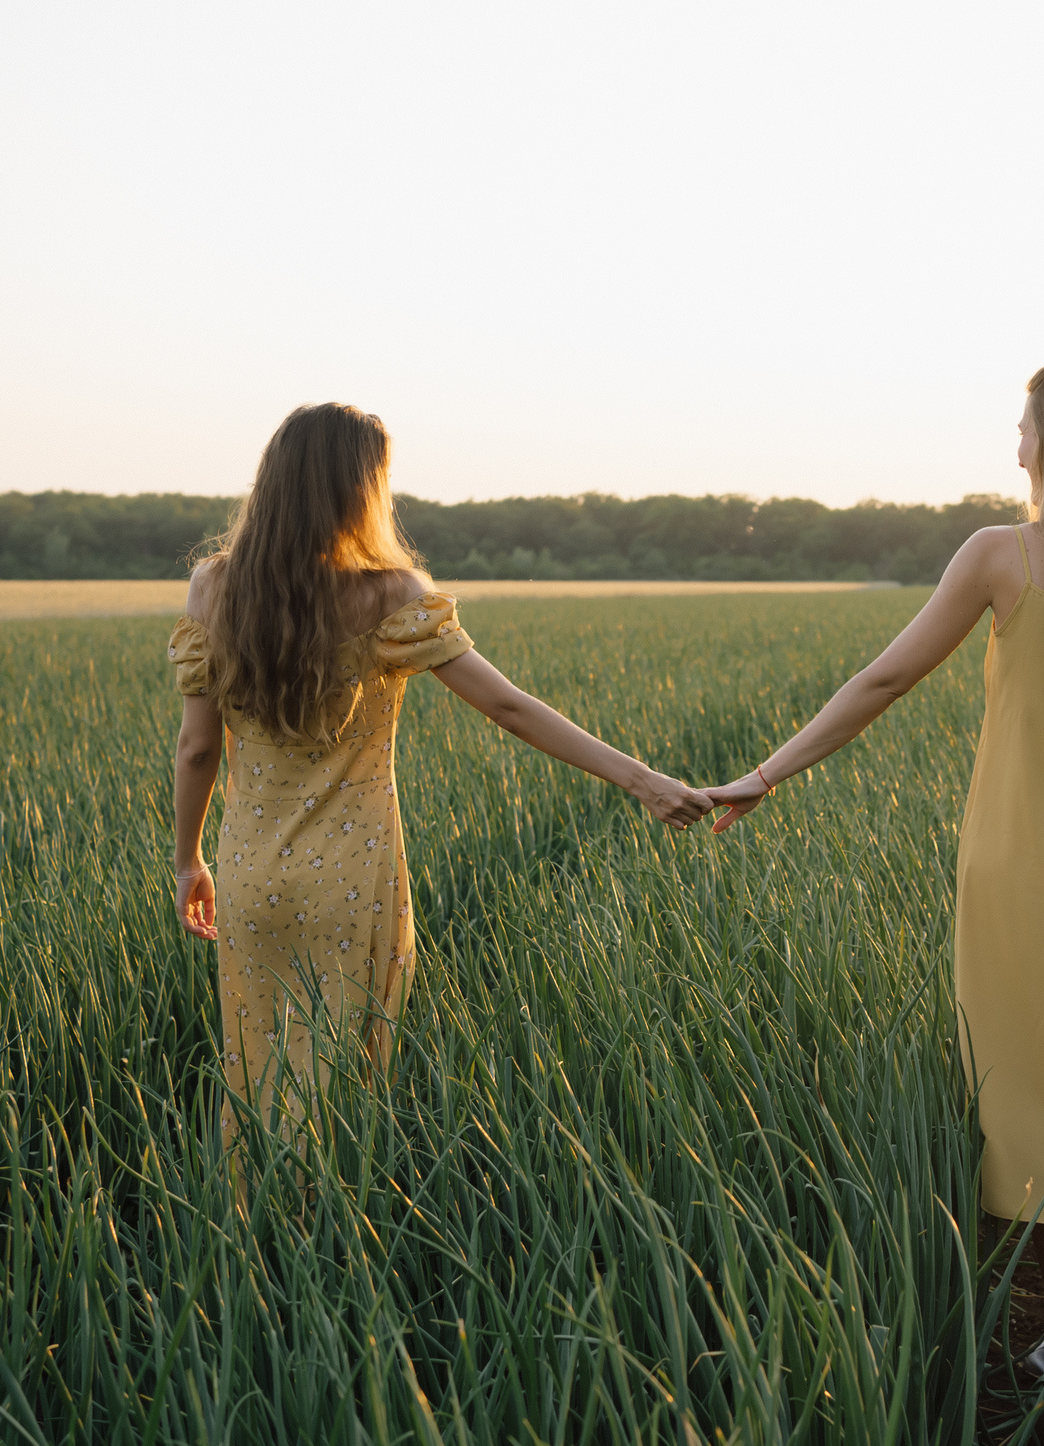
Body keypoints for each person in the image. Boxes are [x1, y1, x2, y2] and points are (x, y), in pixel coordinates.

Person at [706, 362, 1044, 1446]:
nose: (1013, 446)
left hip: (1013, 872)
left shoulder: (1001, 557)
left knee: (1025, 1096)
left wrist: (765, 774)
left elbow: (882, 680)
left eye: (1021, 429)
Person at [169, 403, 712, 1140]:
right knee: (344, 1089)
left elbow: (197, 748)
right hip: (352, 879)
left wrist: (188, 860)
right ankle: (324, 1237)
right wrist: (644, 781)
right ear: (361, 488)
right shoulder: (391, 594)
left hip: (249, 873)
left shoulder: (212, 586)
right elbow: (511, 708)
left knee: (256, 1066)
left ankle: (246, 1229)